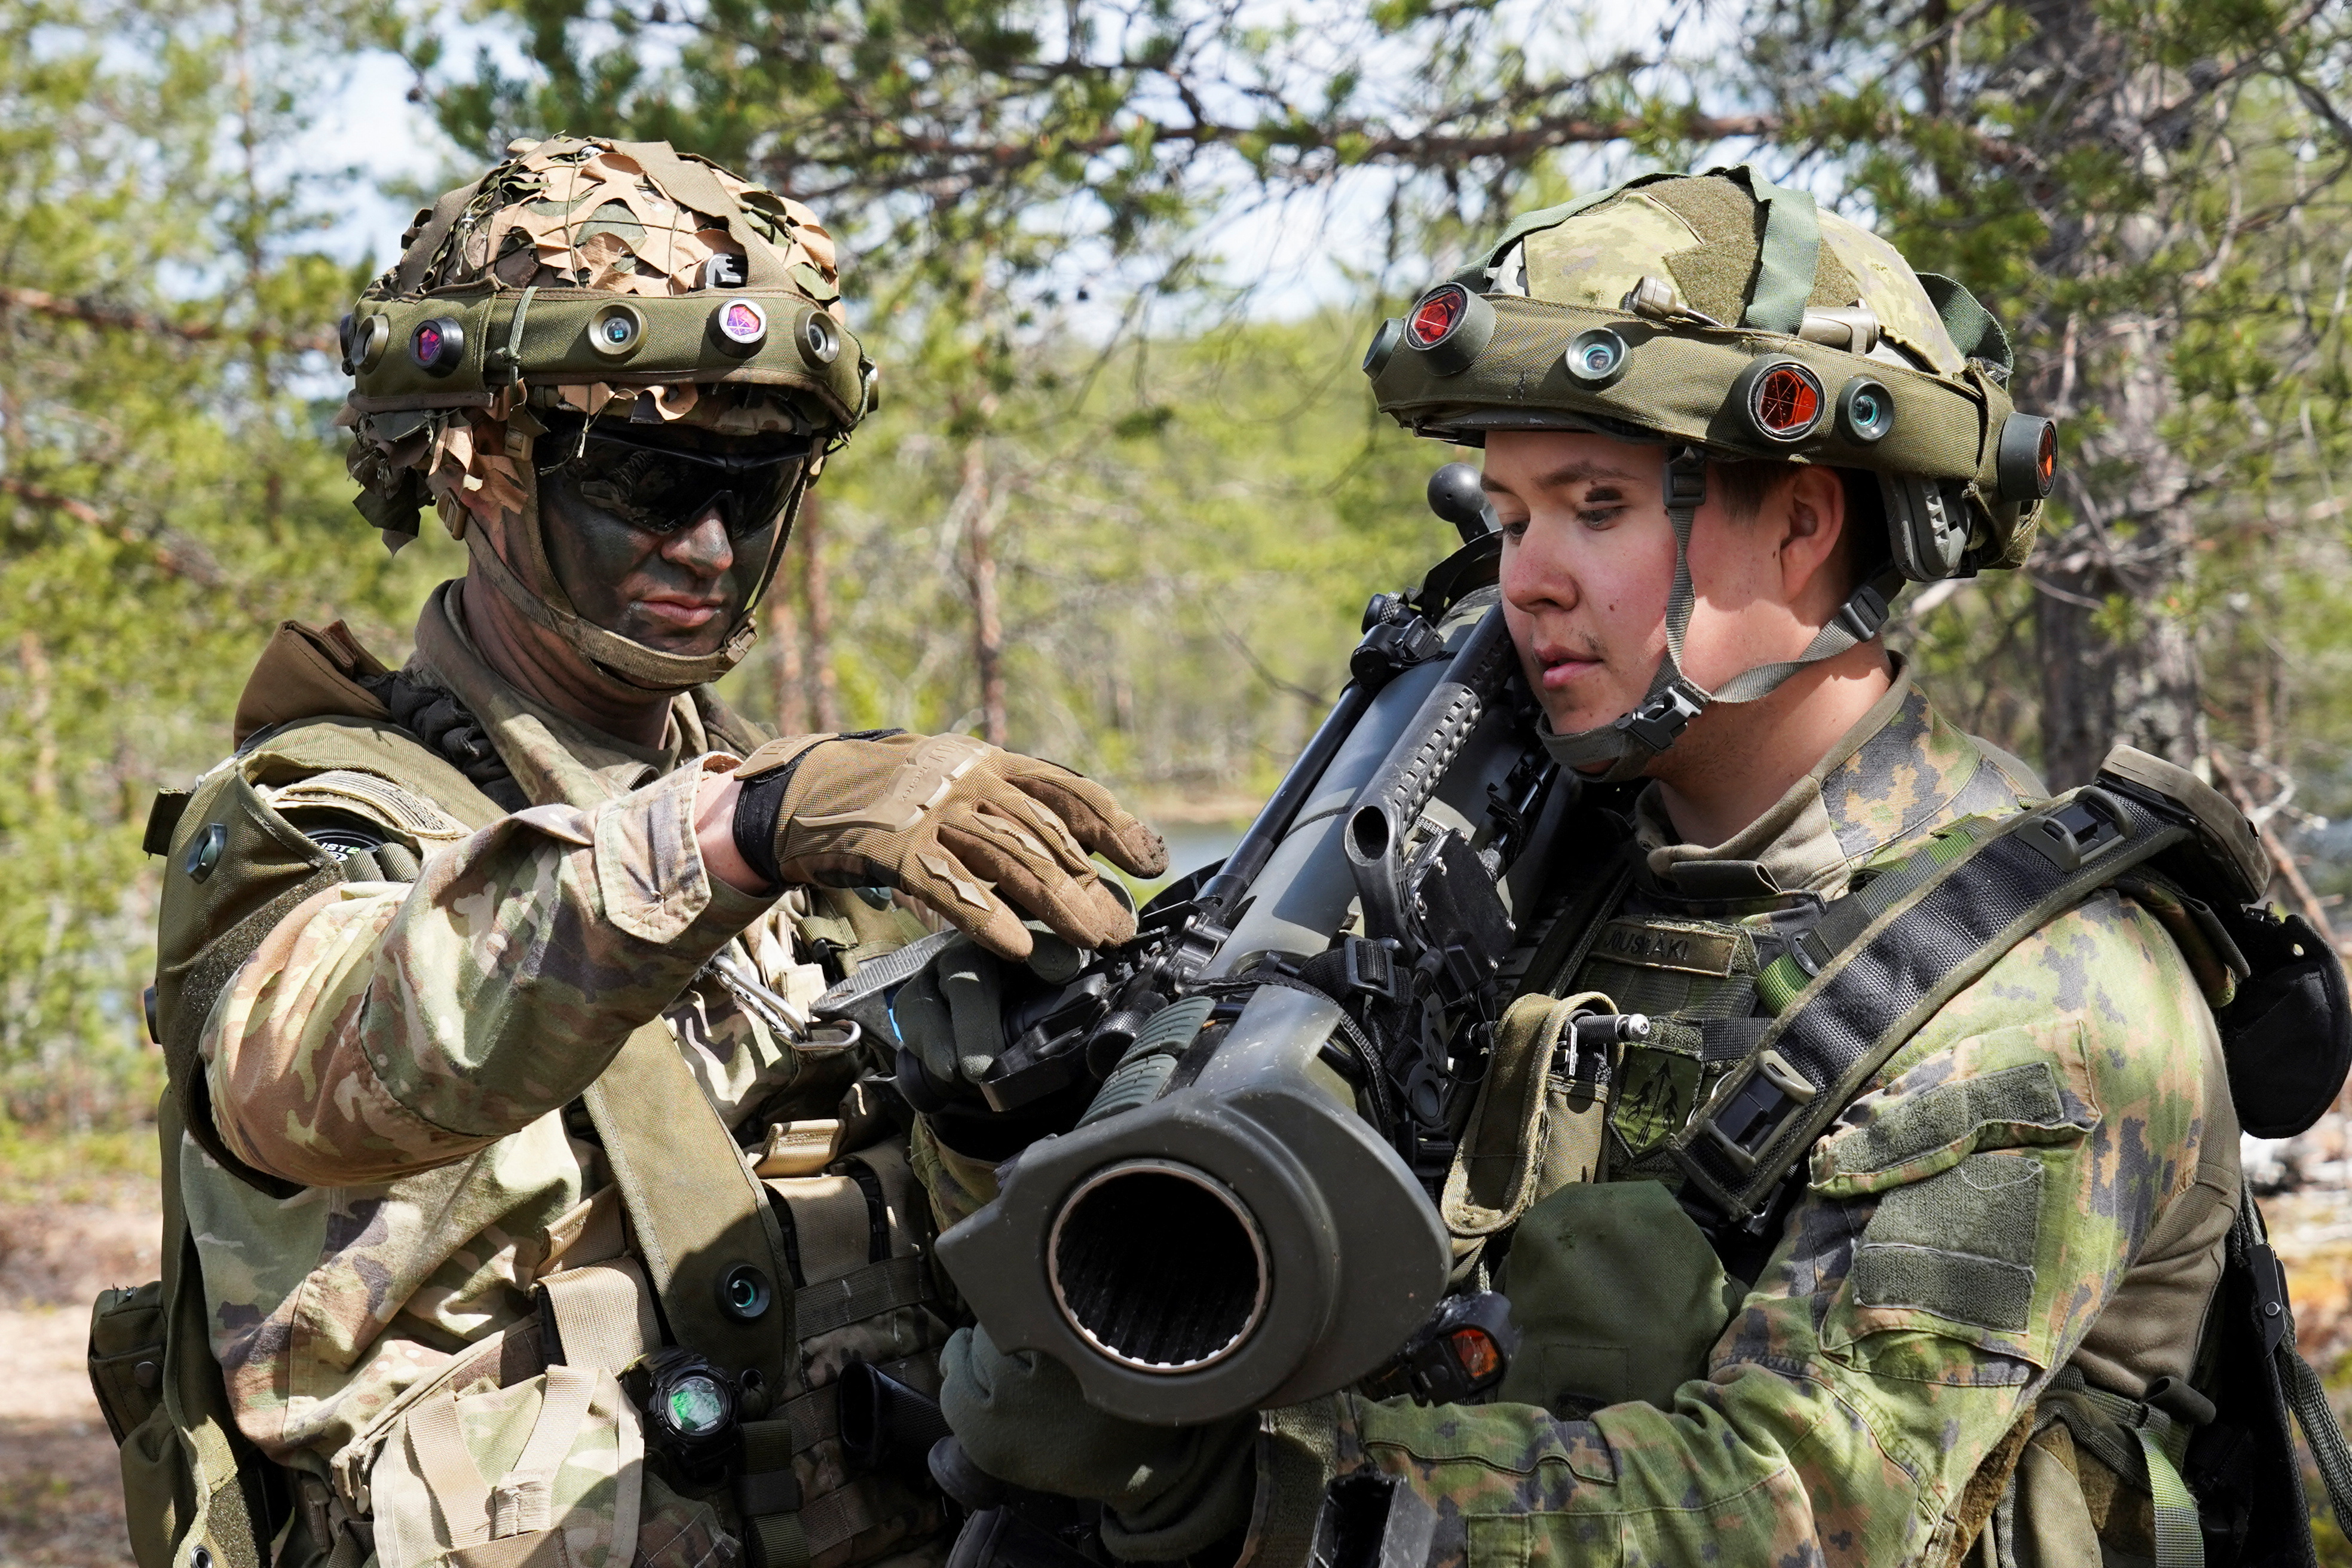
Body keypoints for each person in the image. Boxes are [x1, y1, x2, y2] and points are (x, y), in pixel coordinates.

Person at [935, 167, 2277, 1565]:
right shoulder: (1556, 865)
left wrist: (1259, 1485)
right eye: (1511, 517)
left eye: (1595, 504)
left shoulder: (2047, 998)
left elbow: (1817, 1504)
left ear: (1805, 521)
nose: (1528, 579)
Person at [115, 136, 1165, 1568]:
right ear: (478, 466)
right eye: (657, 482)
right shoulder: (319, 815)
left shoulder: (811, 828)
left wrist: (1001, 1106)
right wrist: (740, 832)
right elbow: (331, 1072)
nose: (715, 549)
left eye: (759, 486)